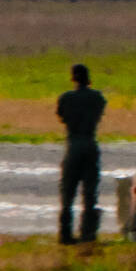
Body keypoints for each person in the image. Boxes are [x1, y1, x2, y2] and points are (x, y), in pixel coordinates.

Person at [56, 63, 106, 244]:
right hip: (90, 144)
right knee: (90, 193)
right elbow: (99, 113)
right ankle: (88, 234)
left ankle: (65, 234)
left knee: (68, 192)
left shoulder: (66, 98)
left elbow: (62, 116)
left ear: (73, 78)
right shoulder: (97, 98)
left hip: (73, 144)